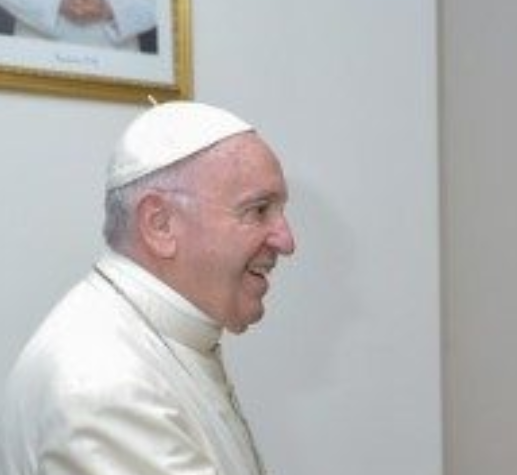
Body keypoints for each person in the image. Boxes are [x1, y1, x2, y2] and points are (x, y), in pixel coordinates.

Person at [0, 101, 296, 475]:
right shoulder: (105, 382)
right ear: (160, 225)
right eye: (258, 210)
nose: (287, 240)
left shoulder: (148, 338)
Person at [0, 0, 157, 53]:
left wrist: (114, 9)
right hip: (35, 50)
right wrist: (54, 4)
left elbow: (166, 6)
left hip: (120, 61)